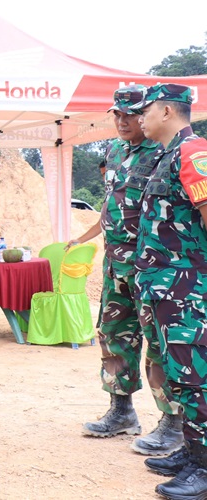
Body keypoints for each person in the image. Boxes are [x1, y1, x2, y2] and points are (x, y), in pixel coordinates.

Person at [67, 85, 182, 456]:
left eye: (130, 114)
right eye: (116, 114)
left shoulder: (164, 150)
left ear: (146, 113)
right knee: (115, 335)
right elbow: (110, 206)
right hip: (115, 262)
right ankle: (121, 411)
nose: (121, 121)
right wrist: (84, 237)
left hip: (152, 266)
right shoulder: (114, 150)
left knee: (159, 344)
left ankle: (173, 422)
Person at [125, 84, 207, 499]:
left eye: (148, 110)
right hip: (164, 289)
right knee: (178, 376)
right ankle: (191, 451)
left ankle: (205, 466)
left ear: (168, 111)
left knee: (197, 377)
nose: (141, 117)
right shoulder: (167, 156)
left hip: (188, 290)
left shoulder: (193, 152)